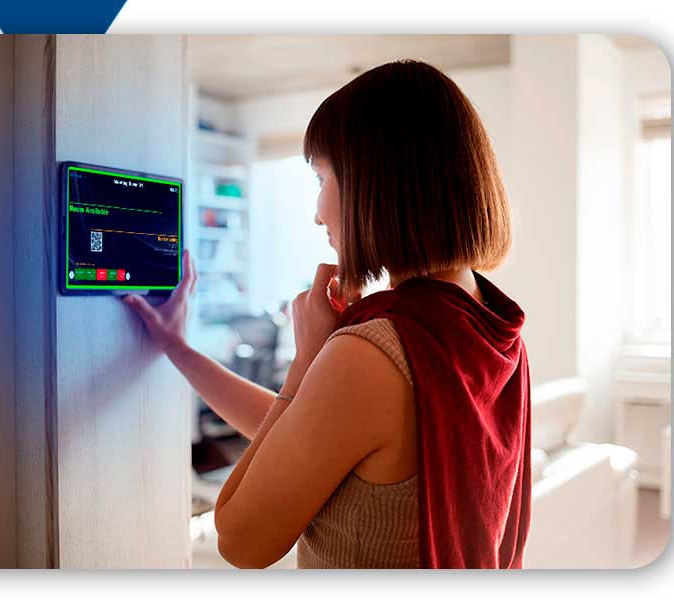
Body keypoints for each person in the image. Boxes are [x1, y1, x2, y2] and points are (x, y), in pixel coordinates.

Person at [124, 60, 531, 569]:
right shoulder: (485, 322)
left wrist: (307, 360)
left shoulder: (372, 354)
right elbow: (305, 435)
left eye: (321, 177)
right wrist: (179, 350)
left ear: (374, 184)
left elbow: (238, 539)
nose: (318, 210)